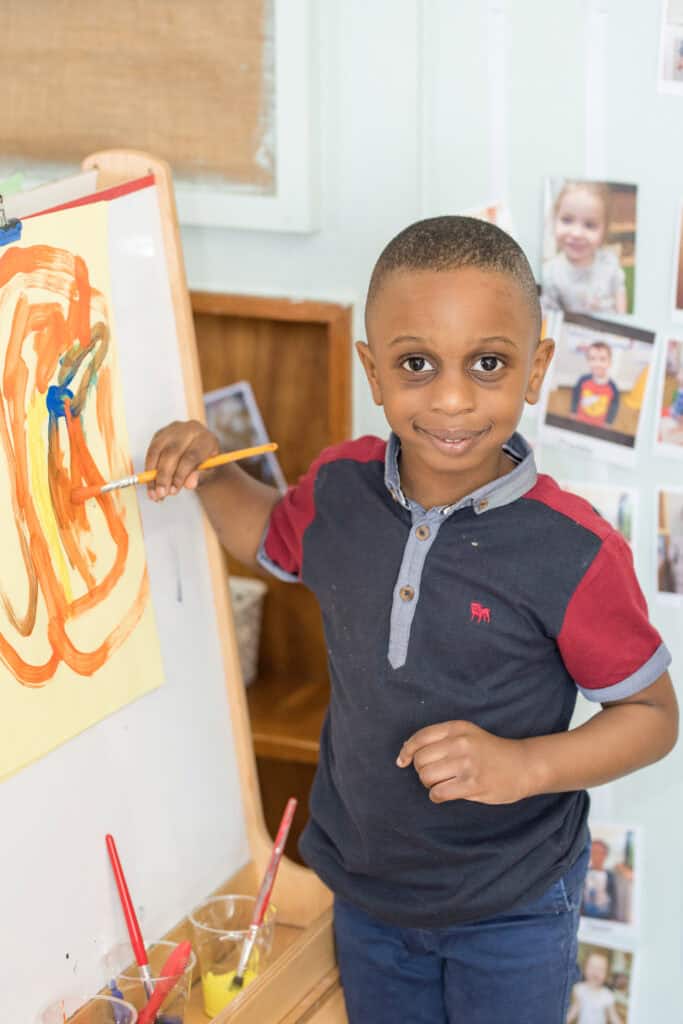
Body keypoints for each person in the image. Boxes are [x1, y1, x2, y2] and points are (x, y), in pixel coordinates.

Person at [145, 216, 677, 1024]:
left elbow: (649, 716)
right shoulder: (339, 488)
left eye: (488, 364)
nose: (453, 398)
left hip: (513, 905)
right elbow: (262, 533)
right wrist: (203, 465)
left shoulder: (573, 551)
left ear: (535, 370)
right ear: (373, 371)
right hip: (365, 892)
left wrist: (523, 765)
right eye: (416, 364)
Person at [542, 181, 628, 315]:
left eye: (589, 225)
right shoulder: (550, 273)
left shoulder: (609, 262)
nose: (576, 234)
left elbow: (619, 291)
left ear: (604, 231)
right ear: (554, 220)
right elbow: (550, 315)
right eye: (567, 220)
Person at [571, 340, 620, 426]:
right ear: (588, 361)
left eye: (602, 359)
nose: (597, 363)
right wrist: (573, 411)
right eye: (592, 359)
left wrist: (608, 422)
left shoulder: (613, 387)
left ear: (609, 363)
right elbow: (575, 396)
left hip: (599, 425)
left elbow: (614, 406)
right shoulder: (583, 380)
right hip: (580, 420)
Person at [566, 951, 621, 1024]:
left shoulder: (607, 995)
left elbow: (614, 1017)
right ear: (584, 968)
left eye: (600, 969)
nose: (595, 972)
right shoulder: (579, 989)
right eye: (592, 967)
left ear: (607, 974)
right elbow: (573, 1011)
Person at [581, 839, 617, 920]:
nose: (596, 856)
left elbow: (614, 898)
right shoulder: (583, 872)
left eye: (599, 853)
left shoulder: (610, 875)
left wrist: (613, 916)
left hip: (605, 914)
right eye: (593, 852)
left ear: (605, 855)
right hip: (585, 914)